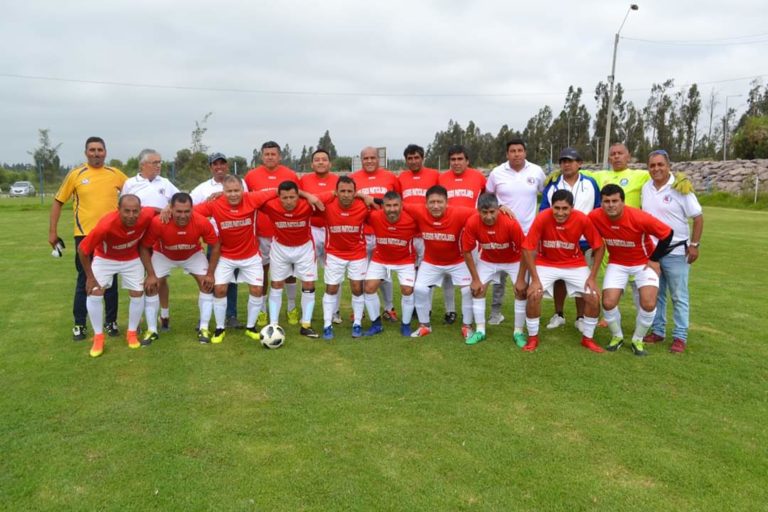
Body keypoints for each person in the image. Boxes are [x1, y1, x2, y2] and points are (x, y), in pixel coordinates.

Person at [49, 136, 127, 341]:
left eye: (100, 150)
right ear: (86, 153)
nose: (96, 153)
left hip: (111, 236)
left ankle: (110, 322)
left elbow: (134, 195)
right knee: (85, 278)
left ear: (105, 152)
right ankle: (80, 325)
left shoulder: (115, 174)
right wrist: (52, 232)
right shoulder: (76, 174)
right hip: (84, 236)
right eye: (92, 150)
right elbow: (58, 202)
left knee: (110, 280)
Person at [588, 184, 673, 356]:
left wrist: (655, 259)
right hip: (617, 263)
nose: (611, 205)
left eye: (615, 201)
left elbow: (667, 234)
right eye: (606, 201)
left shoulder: (639, 217)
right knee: (608, 302)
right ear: (601, 203)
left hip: (643, 264)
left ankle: (637, 339)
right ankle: (617, 337)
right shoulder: (594, 216)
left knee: (648, 303)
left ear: (623, 202)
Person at [193, 175, 277, 344]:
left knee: (256, 290)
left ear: (243, 190)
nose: (233, 194)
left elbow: (279, 191)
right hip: (225, 256)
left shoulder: (252, 198)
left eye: (236, 190)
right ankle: (219, 328)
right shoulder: (215, 203)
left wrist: (309, 196)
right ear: (222, 191)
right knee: (220, 290)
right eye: (229, 191)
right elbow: (190, 211)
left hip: (251, 256)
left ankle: (251, 327)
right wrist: (167, 208)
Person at [518, 190, 605, 353]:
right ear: (551, 206)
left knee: (593, 297)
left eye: (565, 208)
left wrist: (592, 277)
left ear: (572, 207)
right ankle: (532, 338)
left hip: (574, 263)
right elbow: (527, 248)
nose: (560, 212)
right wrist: (534, 279)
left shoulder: (581, 218)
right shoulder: (542, 217)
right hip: (546, 263)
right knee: (534, 295)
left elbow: (599, 246)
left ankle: (588, 339)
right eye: (556, 208)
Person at [641, 150, 704, 353]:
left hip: (676, 251)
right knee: (657, 293)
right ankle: (658, 331)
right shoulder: (646, 187)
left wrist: (694, 245)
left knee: (679, 295)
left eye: (660, 165)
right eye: (652, 165)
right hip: (653, 252)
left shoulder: (680, 187)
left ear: (668, 166)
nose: (656, 169)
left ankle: (680, 336)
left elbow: (698, 216)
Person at [76, 195, 154, 357]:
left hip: (131, 258)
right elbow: (83, 250)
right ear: (118, 210)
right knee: (95, 291)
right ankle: (98, 336)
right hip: (105, 258)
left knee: (137, 293)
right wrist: (90, 277)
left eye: (135, 211)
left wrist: (167, 209)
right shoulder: (106, 225)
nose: (131, 215)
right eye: (126, 211)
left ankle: (131, 333)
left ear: (140, 210)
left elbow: (156, 210)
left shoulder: (146, 215)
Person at [139, 192, 220, 344]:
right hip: (164, 255)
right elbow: (144, 247)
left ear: (192, 209)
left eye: (187, 211)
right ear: (170, 209)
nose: (183, 216)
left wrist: (210, 273)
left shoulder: (202, 222)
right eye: (179, 211)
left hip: (192, 254)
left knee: (207, 284)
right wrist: (150, 275)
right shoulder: (159, 222)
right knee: (151, 286)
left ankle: (203, 327)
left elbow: (215, 246)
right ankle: (152, 329)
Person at [485, 138, 546, 326]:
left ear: (525, 153)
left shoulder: (536, 171)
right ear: (507, 154)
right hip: (502, 232)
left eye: (520, 150)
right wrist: (500, 205)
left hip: (528, 233)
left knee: (526, 276)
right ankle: (496, 313)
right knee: (499, 275)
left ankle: (528, 314)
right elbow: (487, 196)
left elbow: (544, 196)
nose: (517, 154)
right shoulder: (497, 173)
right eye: (512, 151)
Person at [539, 148, 601, 332]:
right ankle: (559, 314)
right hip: (558, 241)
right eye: (563, 161)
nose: (567, 164)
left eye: (571, 161)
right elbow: (544, 211)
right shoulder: (553, 185)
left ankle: (581, 317)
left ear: (579, 163)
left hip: (584, 241)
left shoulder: (590, 183)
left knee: (582, 281)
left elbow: (597, 209)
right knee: (559, 280)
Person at [405, 185, 475, 339]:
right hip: (431, 261)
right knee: (420, 289)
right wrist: (369, 199)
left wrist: (502, 207)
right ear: (426, 203)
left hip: (457, 261)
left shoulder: (460, 212)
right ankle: (425, 325)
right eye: (432, 202)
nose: (436, 206)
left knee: (467, 290)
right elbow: (396, 204)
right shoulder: (418, 211)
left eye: (439, 202)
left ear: (446, 202)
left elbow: (482, 213)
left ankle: (467, 326)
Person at [122, 148, 180, 331]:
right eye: (155, 162)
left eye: (160, 162)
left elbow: (179, 199)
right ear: (143, 165)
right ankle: (138, 320)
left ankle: (164, 315)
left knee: (160, 278)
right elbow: (123, 206)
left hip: (159, 237)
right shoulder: (130, 183)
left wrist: (169, 206)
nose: (159, 165)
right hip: (137, 236)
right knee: (139, 279)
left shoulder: (166, 182)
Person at [244, 141, 300, 327]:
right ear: (261, 156)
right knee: (262, 271)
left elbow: (298, 199)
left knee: (289, 271)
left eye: (273, 154)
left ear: (279, 156)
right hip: (261, 233)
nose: (269, 157)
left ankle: (291, 307)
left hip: (285, 232)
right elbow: (244, 200)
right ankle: (262, 310)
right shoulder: (251, 176)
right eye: (266, 154)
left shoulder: (290, 175)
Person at [258, 180, 322, 338]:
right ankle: (274, 324)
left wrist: (308, 196)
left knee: (308, 284)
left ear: (298, 196)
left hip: (304, 248)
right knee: (276, 283)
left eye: (292, 197)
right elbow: (251, 198)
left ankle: (306, 324)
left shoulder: (307, 205)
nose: (288, 201)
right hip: (280, 248)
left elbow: (333, 196)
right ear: (278, 197)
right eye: (284, 197)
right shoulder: (271, 206)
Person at [461, 193, 525, 346]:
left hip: (513, 260)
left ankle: (518, 332)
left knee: (521, 291)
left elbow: (525, 250)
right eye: (484, 212)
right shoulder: (472, 222)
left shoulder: (510, 223)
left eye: (492, 212)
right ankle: (480, 330)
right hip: (488, 260)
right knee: (477, 290)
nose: (488, 216)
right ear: (478, 211)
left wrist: (522, 279)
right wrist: (475, 280)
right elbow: (466, 251)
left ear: (498, 210)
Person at [190, 152, 245, 328]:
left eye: (222, 163)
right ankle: (204, 319)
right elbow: (187, 207)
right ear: (210, 167)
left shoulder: (239, 183)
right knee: (210, 279)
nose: (219, 167)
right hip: (214, 242)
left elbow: (247, 201)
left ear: (227, 166)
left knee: (231, 282)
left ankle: (231, 316)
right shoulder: (202, 188)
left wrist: (222, 195)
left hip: (235, 240)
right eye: (215, 164)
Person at [350, 146, 401, 322]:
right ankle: (360, 309)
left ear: (378, 159)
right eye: (366, 158)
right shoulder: (353, 178)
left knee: (385, 273)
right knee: (360, 273)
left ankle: (389, 308)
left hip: (384, 233)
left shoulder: (390, 177)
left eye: (373, 158)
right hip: (361, 233)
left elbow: (398, 202)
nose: (370, 161)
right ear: (361, 159)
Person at [318, 176, 374, 339]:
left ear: (355, 193)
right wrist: (330, 194)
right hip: (334, 254)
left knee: (357, 288)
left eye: (350, 191)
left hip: (357, 254)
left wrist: (364, 197)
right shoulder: (327, 206)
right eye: (342, 191)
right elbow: (313, 199)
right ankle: (327, 324)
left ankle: (357, 323)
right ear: (336, 192)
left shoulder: (363, 207)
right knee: (332, 288)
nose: (346, 195)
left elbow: (383, 206)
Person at [437, 144, 487, 325]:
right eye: (453, 159)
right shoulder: (441, 178)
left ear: (467, 160)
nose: (456, 163)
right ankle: (450, 310)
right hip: (447, 231)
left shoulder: (479, 177)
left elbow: (487, 200)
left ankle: (474, 308)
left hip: (471, 232)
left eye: (460, 159)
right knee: (447, 274)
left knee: (473, 272)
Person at [362, 191, 419, 337]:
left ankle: (405, 325)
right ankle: (376, 324)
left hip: (405, 260)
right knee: (369, 288)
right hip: (380, 258)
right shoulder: (375, 216)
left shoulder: (412, 220)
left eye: (395, 205)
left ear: (401, 206)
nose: (392, 209)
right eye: (388, 205)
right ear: (383, 206)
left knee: (407, 290)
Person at [299, 148, 341, 324]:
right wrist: (309, 196)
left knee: (334, 271)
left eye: (324, 159)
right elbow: (298, 195)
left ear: (330, 163)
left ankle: (334, 311)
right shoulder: (304, 180)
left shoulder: (338, 180)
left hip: (333, 230)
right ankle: (306, 314)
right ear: (312, 163)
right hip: (312, 229)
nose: (321, 162)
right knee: (308, 273)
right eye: (317, 160)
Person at [397, 144, 438, 269]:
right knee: (409, 267)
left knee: (427, 268)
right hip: (408, 232)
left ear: (422, 158)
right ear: (406, 160)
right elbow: (398, 202)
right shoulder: (401, 177)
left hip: (427, 231)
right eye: (410, 158)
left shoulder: (435, 175)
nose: (413, 161)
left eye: (416, 157)